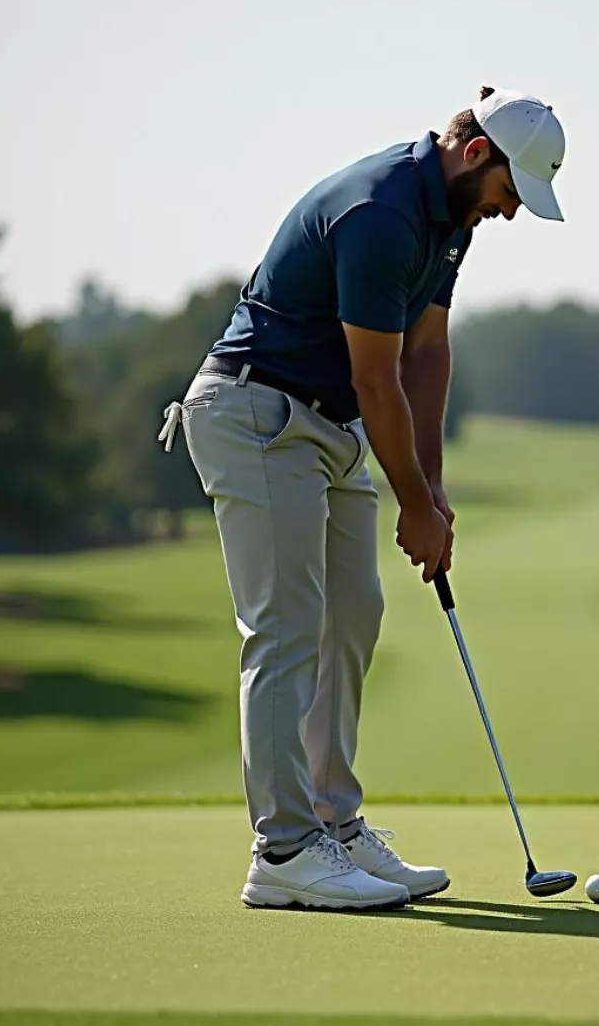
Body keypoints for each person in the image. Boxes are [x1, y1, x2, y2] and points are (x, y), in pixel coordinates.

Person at [157, 87, 567, 911]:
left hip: (328, 423)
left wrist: (435, 489)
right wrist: (411, 502)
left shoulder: (450, 221)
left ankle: (333, 827)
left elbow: (427, 352)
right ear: (476, 155)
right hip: (255, 412)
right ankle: (283, 851)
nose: (511, 214)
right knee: (286, 628)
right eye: (511, 193)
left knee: (355, 611)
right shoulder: (382, 211)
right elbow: (376, 376)